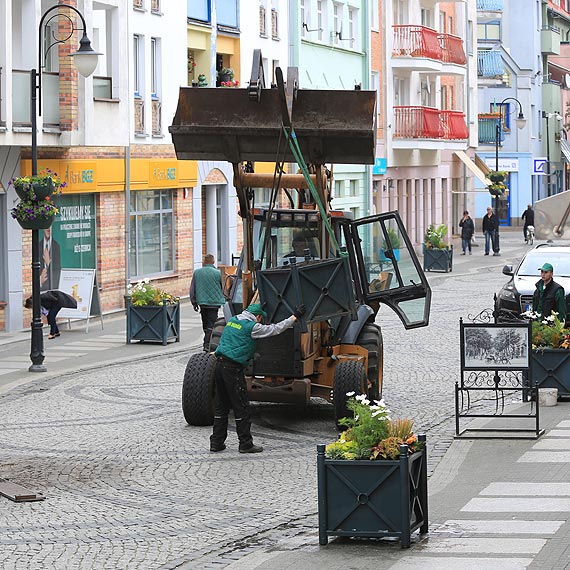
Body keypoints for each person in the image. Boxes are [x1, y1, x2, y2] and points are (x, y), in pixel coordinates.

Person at [210, 302, 306, 454]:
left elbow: (233, 342)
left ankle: (216, 442)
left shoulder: (233, 321)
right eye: (261, 318)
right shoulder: (252, 327)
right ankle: (245, 444)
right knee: (241, 406)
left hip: (219, 366)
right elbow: (274, 330)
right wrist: (294, 317)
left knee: (221, 406)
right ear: (258, 316)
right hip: (233, 370)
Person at [190, 254, 226, 352]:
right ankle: (208, 343)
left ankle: (207, 342)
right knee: (212, 323)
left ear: (204, 262)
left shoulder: (197, 273)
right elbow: (224, 288)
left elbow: (192, 289)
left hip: (202, 302)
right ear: (213, 262)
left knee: (205, 323)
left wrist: (194, 302)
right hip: (214, 303)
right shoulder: (218, 273)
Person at [39, 227, 61, 291]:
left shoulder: (56, 246)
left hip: (52, 288)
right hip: (40, 289)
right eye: (46, 227)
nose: (48, 229)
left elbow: (57, 270)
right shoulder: (38, 245)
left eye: (50, 227)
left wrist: (48, 263)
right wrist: (40, 281)